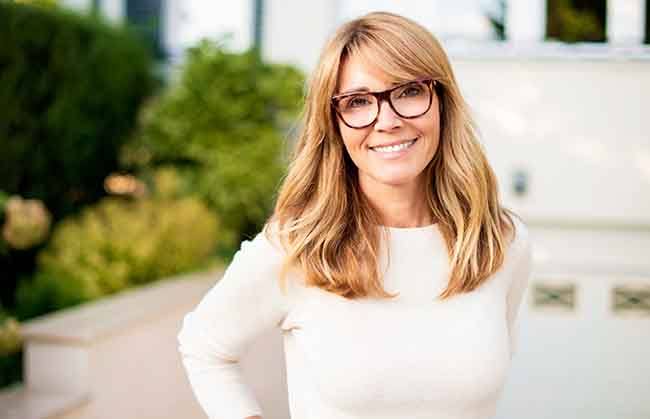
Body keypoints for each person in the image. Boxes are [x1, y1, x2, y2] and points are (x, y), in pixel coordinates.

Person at [177, 11, 532, 419]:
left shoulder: (501, 243)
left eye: (409, 91)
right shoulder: (299, 247)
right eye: (358, 102)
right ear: (335, 124)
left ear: (443, 103)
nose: (388, 120)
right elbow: (204, 347)